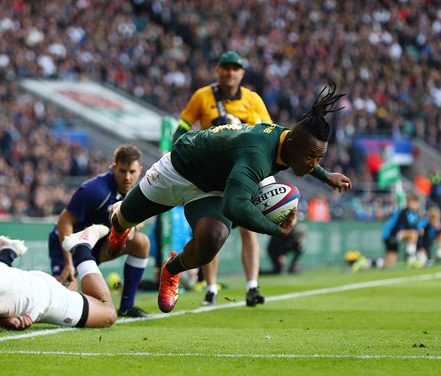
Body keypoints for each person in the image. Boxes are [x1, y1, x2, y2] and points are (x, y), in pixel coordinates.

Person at [108, 82, 352, 313]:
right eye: (311, 157)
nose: (313, 163)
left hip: (213, 187)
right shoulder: (257, 154)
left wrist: (325, 174)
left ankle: (171, 270)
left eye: (319, 159)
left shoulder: (288, 143)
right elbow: (234, 206)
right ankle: (119, 228)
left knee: (213, 239)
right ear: (292, 144)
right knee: (124, 218)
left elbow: (303, 155)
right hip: (178, 170)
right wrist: (278, 231)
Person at [172, 50, 274, 307]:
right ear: (218, 70)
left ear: (242, 73)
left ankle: (252, 286)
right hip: (212, 173)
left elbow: (270, 132)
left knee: (249, 230)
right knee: (211, 230)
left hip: (244, 173)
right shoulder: (202, 96)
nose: (230, 72)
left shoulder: (253, 100)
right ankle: (211, 288)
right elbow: (183, 127)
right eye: (225, 68)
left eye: (235, 68)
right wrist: (177, 154)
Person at [48, 144, 150, 318]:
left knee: (141, 243)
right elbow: (64, 221)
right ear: (114, 167)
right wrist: (68, 263)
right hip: (71, 246)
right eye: (122, 171)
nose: (127, 177)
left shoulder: (136, 191)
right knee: (66, 304)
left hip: (98, 245)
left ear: (139, 171)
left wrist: (132, 227)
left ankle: (127, 306)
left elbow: (144, 216)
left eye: (132, 172)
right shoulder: (94, 190)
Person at [381, 193, 421, 267]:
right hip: (391, 235)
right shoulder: (403, 212)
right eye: (414, 202)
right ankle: (411, 258)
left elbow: (415, 227)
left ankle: (372, 263)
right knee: (413, 234)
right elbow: (407, 226)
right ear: (409, 202)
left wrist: (419, 230)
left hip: (399, 235)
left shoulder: (415, 214)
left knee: (390, 261)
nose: (416, 205)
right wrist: (417, 230)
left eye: (417, 203)